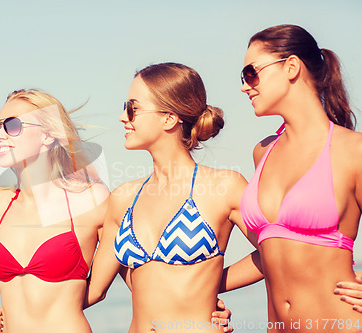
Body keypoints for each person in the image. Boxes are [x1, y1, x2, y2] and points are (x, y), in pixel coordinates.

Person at [83, 62, 260, 333]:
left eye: (133, 108)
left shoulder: (224, 186)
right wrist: (17, 309)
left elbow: (277, 255)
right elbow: (94, 290)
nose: (122, 117)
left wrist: (212, 285)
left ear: (168, 118)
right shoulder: (123, 198)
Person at [239, 24, 362, 331]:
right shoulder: (262, 152)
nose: (244, 86)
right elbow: (271, 252)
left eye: (250, 73)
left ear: (291, 67)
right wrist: (203, 289)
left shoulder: (353, 150)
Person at [0, 89, 110, 332]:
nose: (0, 135)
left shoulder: (92, 199)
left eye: (12, 125)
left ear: (47, 135)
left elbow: (102, 287)